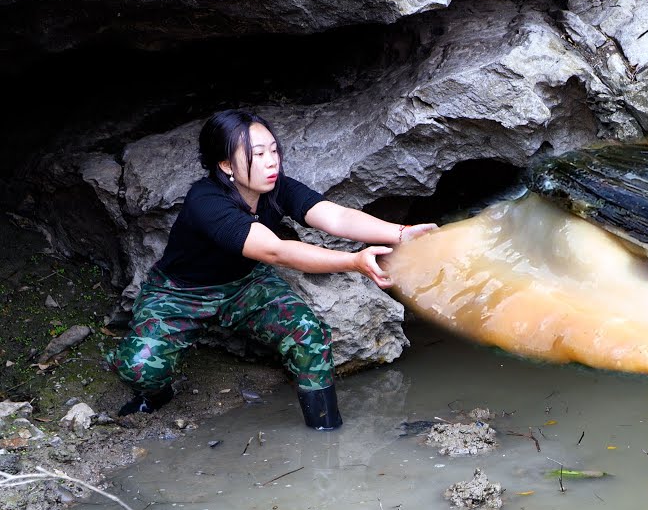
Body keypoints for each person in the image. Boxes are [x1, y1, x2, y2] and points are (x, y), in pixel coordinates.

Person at [111, 109, 435, 430]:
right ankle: (155, 393)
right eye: (257, 154)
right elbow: (276, 251)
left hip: (246, 285)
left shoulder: (277, 188)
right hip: (181, 291)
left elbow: (336, 217)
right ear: (226, 165)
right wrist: (354, 262)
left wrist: (401, 233)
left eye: (273, 150)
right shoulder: (205, 200)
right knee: (139, 369)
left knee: (310, 335)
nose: (271, 161)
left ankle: (325, 429)